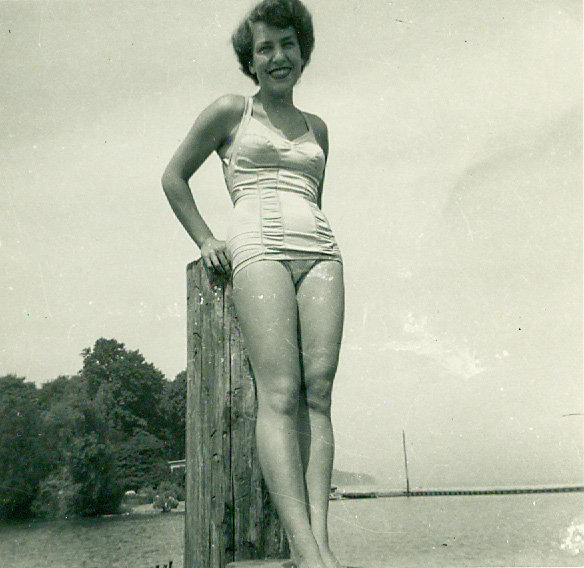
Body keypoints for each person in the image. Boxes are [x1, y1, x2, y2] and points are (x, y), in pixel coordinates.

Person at [162, 2, 344, 567]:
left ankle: (319, 544)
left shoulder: (318, 128)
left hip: (320, 249)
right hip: (256, 245)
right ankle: (307, 552)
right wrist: (205, 239)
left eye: (287, 44)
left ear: (302, 50)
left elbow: (314, 194)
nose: (277, 56)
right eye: (265, 48)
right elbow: (173, 177)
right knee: (281, 392)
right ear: (251, 60)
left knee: (319, 394)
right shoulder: (230, 111)